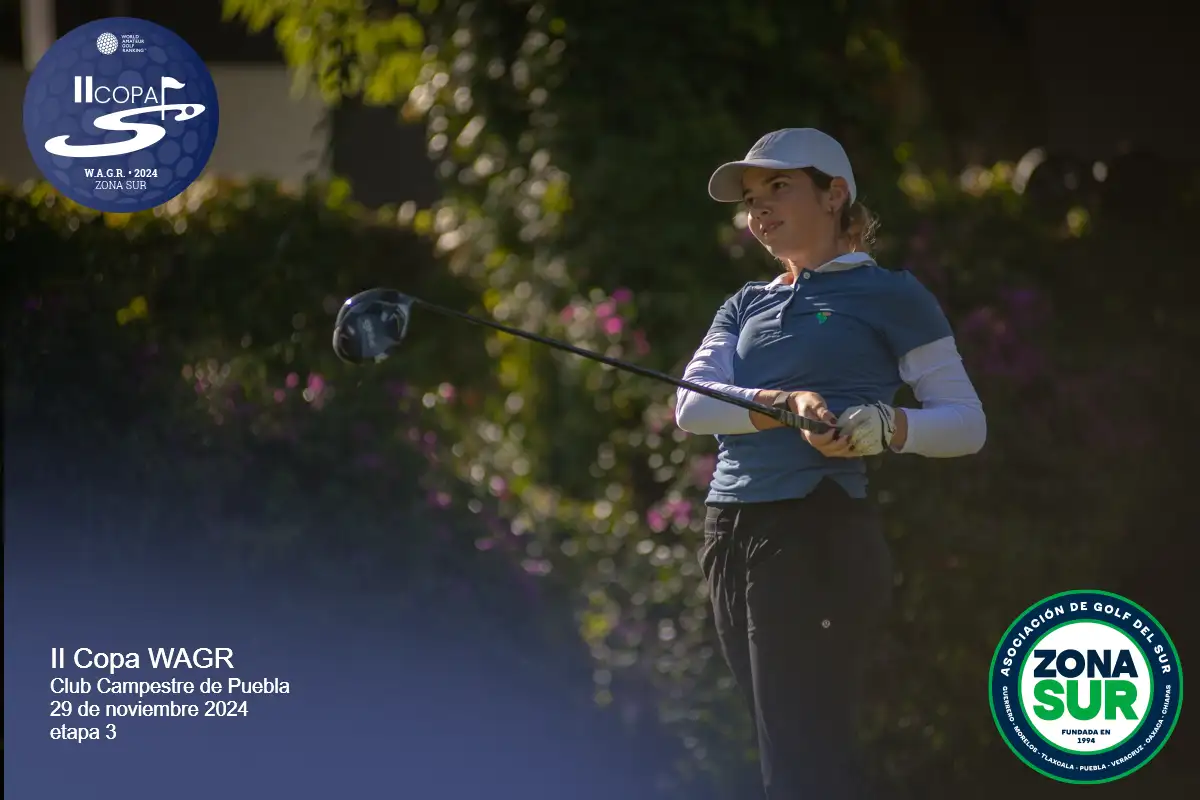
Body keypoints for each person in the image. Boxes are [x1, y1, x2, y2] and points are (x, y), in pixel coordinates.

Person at [675, 128, 987, 799]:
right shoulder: (744, 303)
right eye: (750, 198)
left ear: (834, 193)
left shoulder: (893, 295)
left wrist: (886, 426)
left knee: (801, 760)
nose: (758, 207)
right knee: (785, 747)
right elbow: (692, 406)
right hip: (728, 530)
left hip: (815, 529)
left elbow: (967, 423)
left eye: (778, 187)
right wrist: (782, 403)